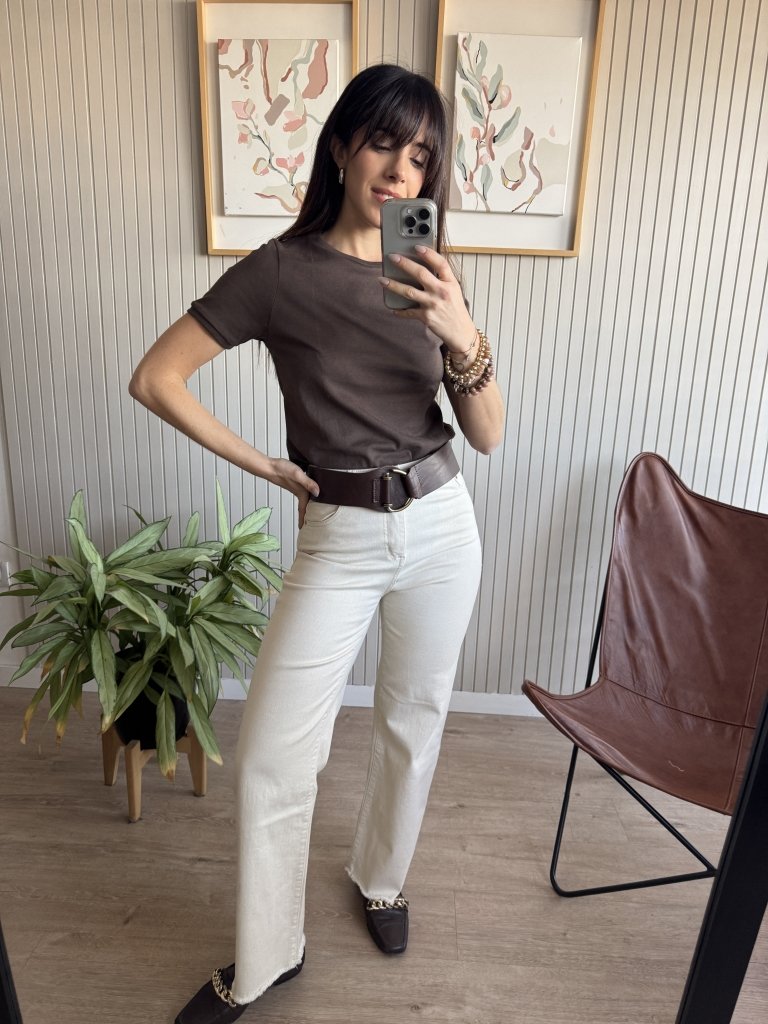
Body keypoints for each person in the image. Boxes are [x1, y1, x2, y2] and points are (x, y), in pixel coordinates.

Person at [129, 63, 504, 1024]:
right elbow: (156, 377)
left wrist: (461, 331)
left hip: (441, 522)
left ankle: (381, 876)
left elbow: (488, 434)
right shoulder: (279, 273)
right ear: (341, 145)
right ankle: (268, 957)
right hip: (339, 532)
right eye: (384, 143)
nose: (402, 170)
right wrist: (266, 465)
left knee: (414, 717)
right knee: (271, 758)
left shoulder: (428, 268)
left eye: (421, 156)